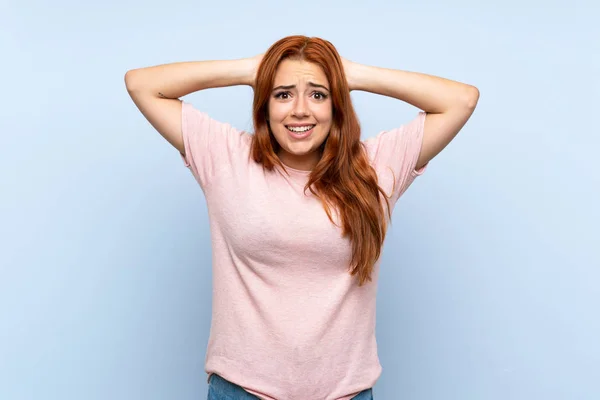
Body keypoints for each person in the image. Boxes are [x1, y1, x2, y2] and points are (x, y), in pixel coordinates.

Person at [124, 35, 479, 400]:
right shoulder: (226, 156)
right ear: (264, 105)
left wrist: (349, 74)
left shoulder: (375, 167)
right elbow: (142, 85)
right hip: (242, 392)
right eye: (282, 94)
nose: (299, 110)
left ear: (337, 105)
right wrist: (252, 70)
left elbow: (461, 100)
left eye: (318, 94)